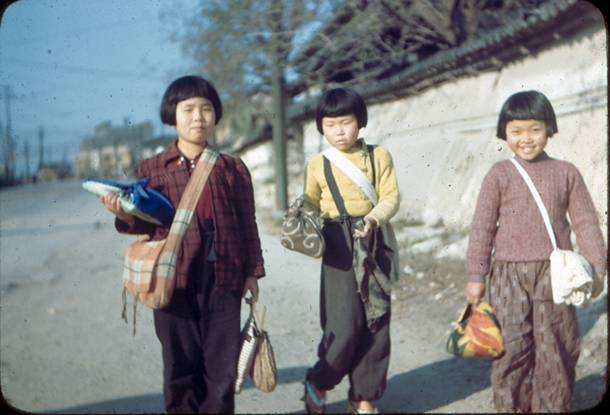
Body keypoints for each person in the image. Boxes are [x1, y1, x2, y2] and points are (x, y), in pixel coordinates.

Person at [101, 75, 265, 414]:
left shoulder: (232, 167)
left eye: (206, 109)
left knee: (222, 367)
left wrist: (253, 271)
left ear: (216, 115)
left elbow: (247, 223)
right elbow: (145, 223)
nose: (198, 117)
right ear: (172, 116)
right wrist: (123, 214)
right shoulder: (152, 169)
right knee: (179, 363)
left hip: (224, 276)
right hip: (172, 278)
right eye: (188, 109)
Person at [464, 90, 606, 412]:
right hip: (507, 276)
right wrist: (476, 275)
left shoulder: (566, 172)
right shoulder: (499, 174)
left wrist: (597, 267)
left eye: (534, 130)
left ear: (549, 129)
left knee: (556, 344)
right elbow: (482, 226)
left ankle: (551, 406)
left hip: (555, 275)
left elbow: (585, 221)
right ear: (504, 133)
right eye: (516, 131)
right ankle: (512, 407)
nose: (526, 139)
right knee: (512, 346)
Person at [302, 87, 400, 414]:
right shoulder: (317, 164)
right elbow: (310, 203)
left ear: (361, 121)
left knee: (377, 319)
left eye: (345, 122)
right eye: (330, 125)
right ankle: (319, 380)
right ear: (321, 127)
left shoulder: (379, 156)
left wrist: (373, 218)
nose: (339, 131)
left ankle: (363, 396)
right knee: (343, 324)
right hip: (337, 244)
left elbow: (390, 197)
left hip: (374, 238)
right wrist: (302, 219)